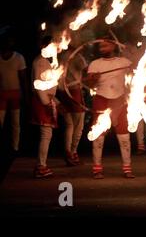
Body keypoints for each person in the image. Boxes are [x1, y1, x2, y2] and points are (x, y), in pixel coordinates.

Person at [86, 38, 134, 179]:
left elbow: (138, 70)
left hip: (119, 101)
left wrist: (132, 54)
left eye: (105, 45)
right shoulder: (95, 64)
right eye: (100, 46)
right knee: (99, 136)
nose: (102, 48)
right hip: (101, 99)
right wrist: (93, 79)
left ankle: (127, 168)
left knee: (124, 136)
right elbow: (90, 85)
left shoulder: (124, 62)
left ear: (113, 46)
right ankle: (97, 168)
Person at [31, 36, 58, 178]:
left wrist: (56, 102)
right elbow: (39, 86)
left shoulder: (46, 61)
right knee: (46, 134)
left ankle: (41, 165)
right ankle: (41, 166)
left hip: (47, 100)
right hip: (42, 102)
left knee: (47, 134)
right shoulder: (40, 62)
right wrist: (47, 103)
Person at [58, 47, 86, 166]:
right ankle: (73, 153)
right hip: (73, 92)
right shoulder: (76, 56)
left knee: (69, 125)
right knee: (78, 126)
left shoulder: (60, 55)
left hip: (63, 92)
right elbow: (87, 70)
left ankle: (68, 152)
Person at [0, 33, 28, 153]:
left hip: (15, 93)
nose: (9, 43)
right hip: (1, 94)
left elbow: (23, 78)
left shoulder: (19, 58)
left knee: (15, 123)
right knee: (0, 121)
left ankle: (15, 147)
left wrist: (26, 96)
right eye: (6, 41)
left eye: (10, 41)